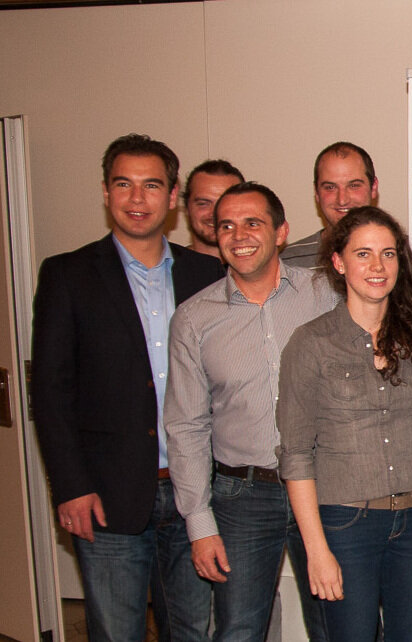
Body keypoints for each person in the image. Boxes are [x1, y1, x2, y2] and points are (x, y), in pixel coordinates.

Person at [32, 133, 222, 642]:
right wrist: (70, 485)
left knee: (195, 632)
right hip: (106, 496)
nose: (137, 199)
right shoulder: (67, 274)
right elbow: (51, 391)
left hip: (194, 494)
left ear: (172, 195)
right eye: (124, 184)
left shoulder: (207, 274)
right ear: (105, 191)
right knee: (116, 632)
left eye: (151, 185)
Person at [276, 206, 412, 642]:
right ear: (339, 262)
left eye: (388, 254)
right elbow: (297, 456)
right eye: (363, 254)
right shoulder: (310, 344)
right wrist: (315, 549)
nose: (377, 266)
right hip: (345, 527)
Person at [164, 182, 341, 641]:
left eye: (252, 223)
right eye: (227, 226)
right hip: (242, 496)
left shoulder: (326, 295)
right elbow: (186, 426)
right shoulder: (193, 319)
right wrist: (199, 524)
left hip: (326, 488)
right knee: (239, 630)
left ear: (281, 232)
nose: (239, 236)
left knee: (341, 627)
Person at [282, 141, 378, 268]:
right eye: (330, 187)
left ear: (373, 187)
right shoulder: (288, 264)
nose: (342, 200)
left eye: (354, 186)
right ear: (316, 192)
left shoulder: (402, 254)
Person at [181, 159, 244, 258]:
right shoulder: (167, 266)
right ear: (187, 208)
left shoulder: (263, 266)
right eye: (203, 204)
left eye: (224, 203)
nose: (214, 214)